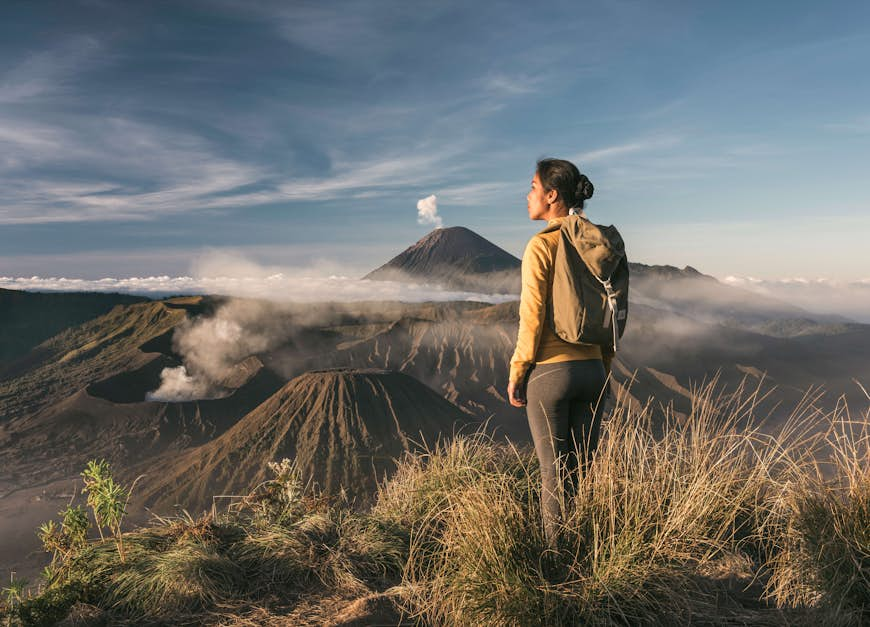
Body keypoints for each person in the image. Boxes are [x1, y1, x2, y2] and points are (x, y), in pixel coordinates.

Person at [507, 157, 613, 546]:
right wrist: (603, 365)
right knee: (581, 474)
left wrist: (519, 370)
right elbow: (612, 308)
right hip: (594, 372)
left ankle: (559, 564)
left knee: (554, 476)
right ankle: (592, 557)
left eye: (534, 187)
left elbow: (531, 315)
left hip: (552, 374)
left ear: (552, 196)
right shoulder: (596, 245)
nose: (528, 194)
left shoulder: (542, 246)